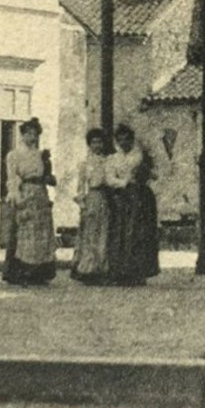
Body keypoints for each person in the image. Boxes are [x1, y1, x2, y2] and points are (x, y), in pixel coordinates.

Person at [1, 118, 56, 286]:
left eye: (35, 134)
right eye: (29, 133)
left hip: (40, 195)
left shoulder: (40, 155)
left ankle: (39, 272)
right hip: (26, 194)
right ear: (22, 134)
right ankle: (21, 272)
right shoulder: (14, 155)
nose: (32, 137)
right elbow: (12, 178)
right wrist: (16, 197)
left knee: (42, 233)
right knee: (26, 232)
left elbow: (46, 175)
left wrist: (48, 175)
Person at [103, 123, 154, 286]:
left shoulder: (139, 156)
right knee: (120, 233)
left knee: (137, 233)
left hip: (138, 197)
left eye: (127, 139)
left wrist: (143, 174)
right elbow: (109, 178)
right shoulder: (113, 159)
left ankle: (137, 272)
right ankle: (119, 272)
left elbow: (153, 174)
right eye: (120, 140)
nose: (124, 143)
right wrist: (123, 183)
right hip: (120, 197)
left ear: (132, 140)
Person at [70, 128, 112, 284]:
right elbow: (80, 187)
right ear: (89, 144)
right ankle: (88, 269)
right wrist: (82, 204)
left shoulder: (108, 160)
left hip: (105, 198)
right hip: (92, 198)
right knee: (90, 235)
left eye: (99, 142)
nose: (97, 145)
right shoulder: (84, 164)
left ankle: (102, 269)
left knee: (104, 233)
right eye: (94, 142)